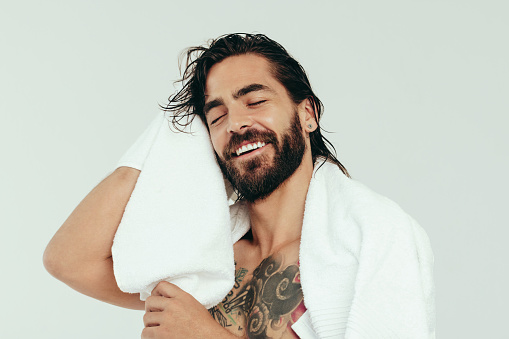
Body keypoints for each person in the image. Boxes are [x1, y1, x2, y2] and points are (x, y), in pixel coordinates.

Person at [44, 33, 435, 339]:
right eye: (216, 117)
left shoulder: (375, 236)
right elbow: (69, 261)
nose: (235, 123)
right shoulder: (204, 255)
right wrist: (159, 143)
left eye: (255, 101)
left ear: (307, 114)